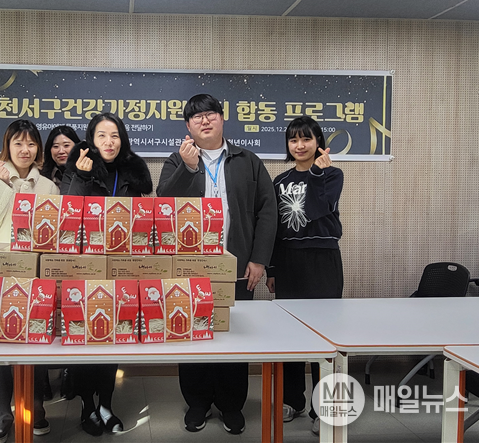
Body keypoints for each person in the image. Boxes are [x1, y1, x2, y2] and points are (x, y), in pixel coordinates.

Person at [156, 94, 277, 435]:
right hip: (190, 266)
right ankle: (197, 402)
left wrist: (259, 260)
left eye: (211, 114)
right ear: (187, 125)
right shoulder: (176, 159)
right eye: (197, 117)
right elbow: (163, 203)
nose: (205, 120)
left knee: (233, 335)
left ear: (222, 119)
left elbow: (267, 211)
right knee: (191, 332)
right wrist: (188, 167)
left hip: (236, 267)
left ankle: (231, 404)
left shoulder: (247, 160)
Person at [0, 119, 59, 441]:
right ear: (7, 146)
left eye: (31, 144)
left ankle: (34, 409)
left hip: (31, 276)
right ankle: (2, 413)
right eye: (18, 143)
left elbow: (51, 234)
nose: (24, 150)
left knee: (36, 340)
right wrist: (1, 187)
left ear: (38, 149)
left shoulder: (47, 186)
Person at [62, 112, 152, 436]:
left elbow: (142, 218)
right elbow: (67, 211)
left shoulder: (133, 172)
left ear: (122, 139)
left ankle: (106, 405)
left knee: (113, 337)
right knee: (86, 337)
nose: (109, 142)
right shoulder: (77, 166)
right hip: (85, 266)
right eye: (101, 135)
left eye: (114, 135)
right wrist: (81, 176)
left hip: (121, 266)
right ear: (91, 139)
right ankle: (87, 405)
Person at [265, 115, 344, 436]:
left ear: (318, 142)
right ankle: (292, 399)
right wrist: (271, 268)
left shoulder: (332, 174)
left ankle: (321, 407)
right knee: (291, 335)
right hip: (288, 261)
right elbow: (273, 227)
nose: (299, 145)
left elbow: (317, 208)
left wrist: (316, 174)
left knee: (323, 336)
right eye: (294, 139)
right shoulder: (279, 181)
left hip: (322, 259)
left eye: (306, 138)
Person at [39, 125, 81, 401]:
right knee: (45, 311)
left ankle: (71, 374)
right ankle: (40, 380)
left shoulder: (86, 171)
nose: (61, 150)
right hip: (46, 253)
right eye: (55, 146)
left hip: (77, 253)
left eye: (67, 145)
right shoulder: (42, 178)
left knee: (72, 310)